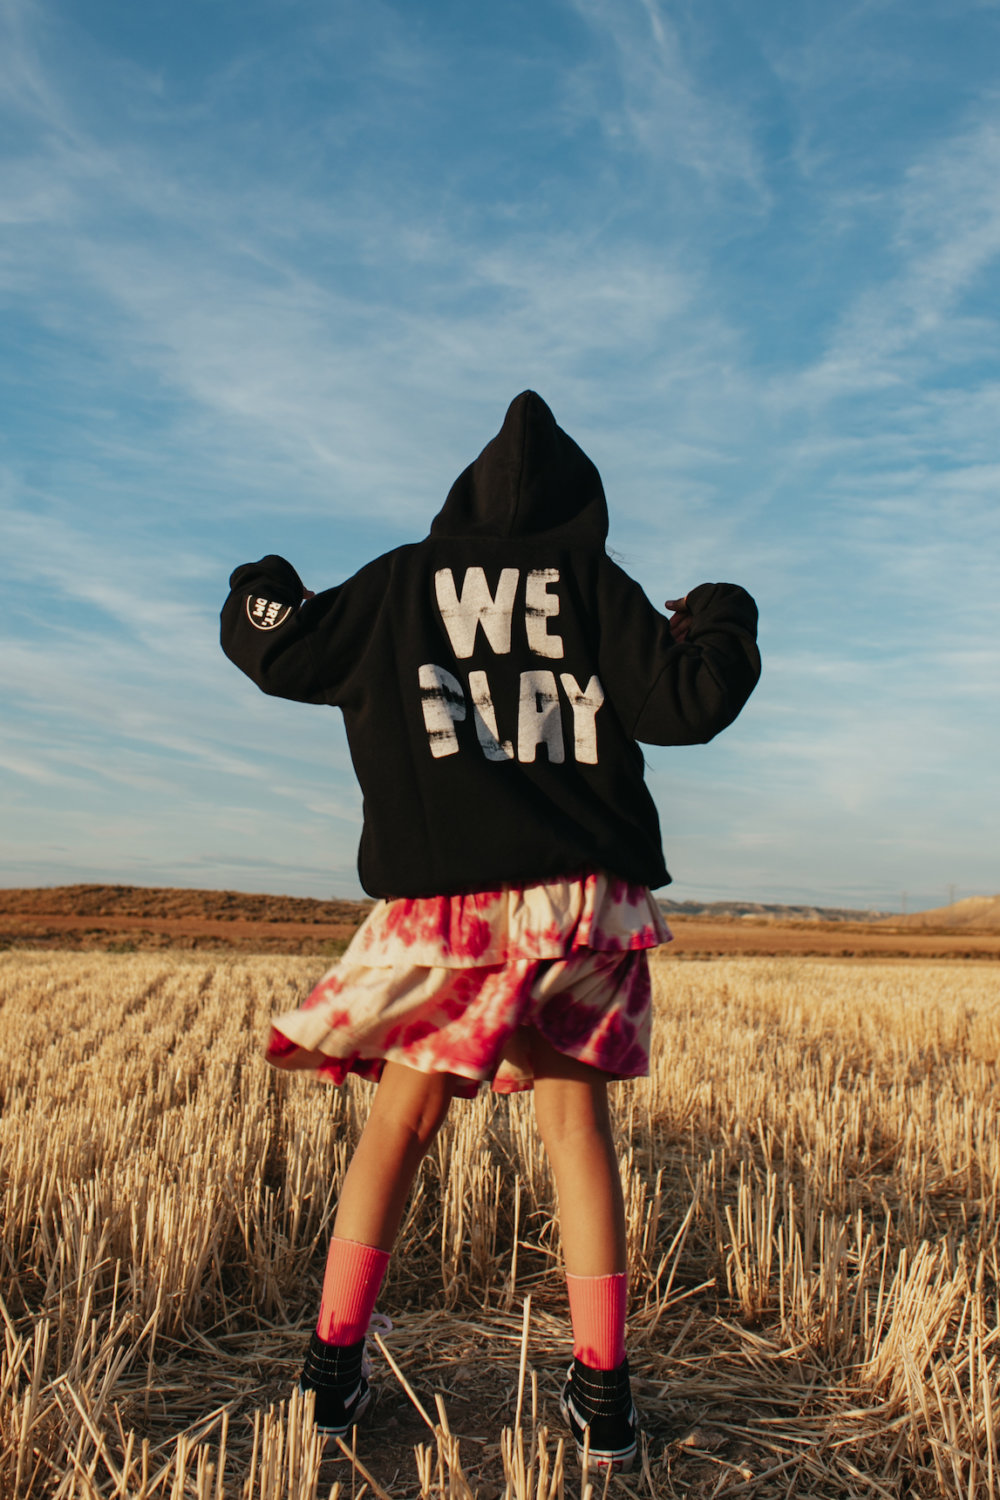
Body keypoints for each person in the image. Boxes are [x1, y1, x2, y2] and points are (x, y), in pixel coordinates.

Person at [220, 391, 760, 1473]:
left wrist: (263, 583)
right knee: (576, 1134)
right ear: (582, 507)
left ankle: (333, 1371)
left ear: (460, 498)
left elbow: (272, 647)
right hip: (579, 901)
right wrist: (717, 609)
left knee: (400, 1131)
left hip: (446, 903)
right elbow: (692, 702)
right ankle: (603, 1396)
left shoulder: (399, 581)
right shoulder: (597, 590)